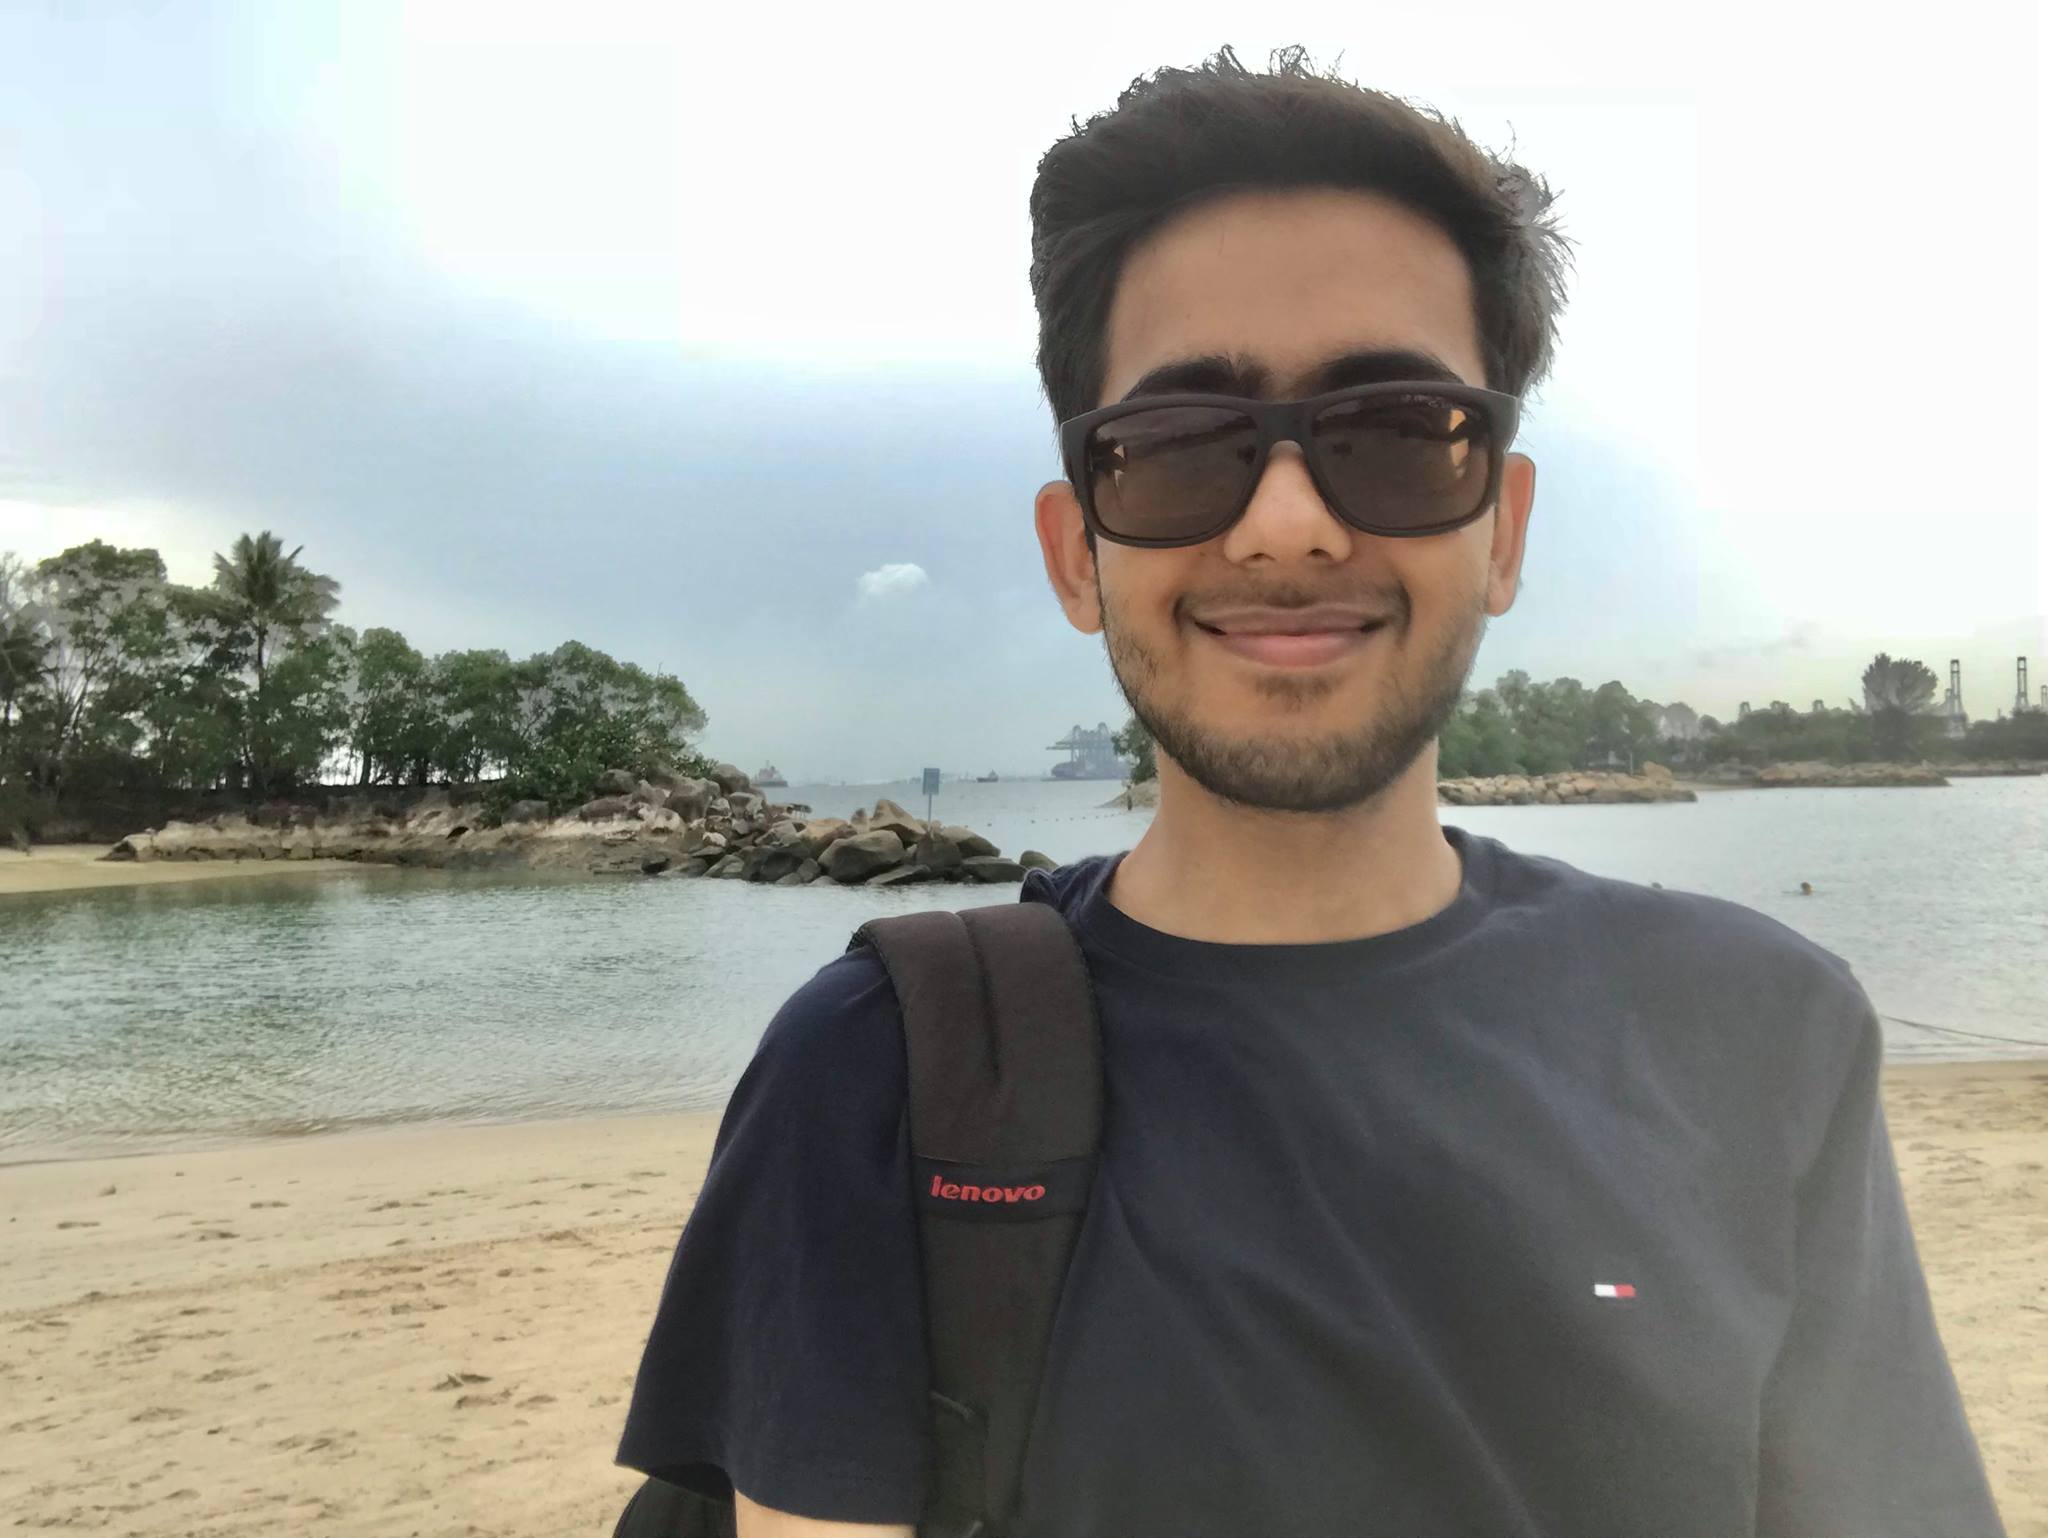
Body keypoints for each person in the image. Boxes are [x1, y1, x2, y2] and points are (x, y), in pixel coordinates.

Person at [615, 47, 2004, 1537]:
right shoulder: (880, 1071)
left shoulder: (1760, 1031)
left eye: (1396, 434)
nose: (1288, 526)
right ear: (1078, 554)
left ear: (1504, 528)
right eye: (1175, 450)